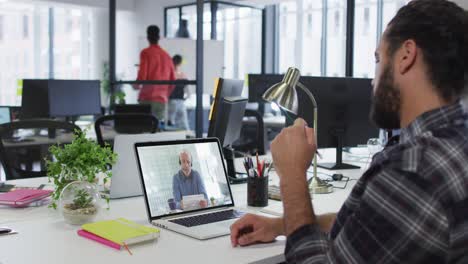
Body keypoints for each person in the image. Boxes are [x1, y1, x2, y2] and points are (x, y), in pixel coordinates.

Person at [230, 0, 468, 262]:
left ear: (405, 55)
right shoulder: (454, 144)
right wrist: (280, 225)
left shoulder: (413, 170)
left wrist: (293, 175)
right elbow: (373, 227)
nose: (372, 79)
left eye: (378, 59)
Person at [134, 25, 175, 123]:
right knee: (157, 130)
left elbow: (142, 76)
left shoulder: (146, 53)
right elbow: (173, 81)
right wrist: (165, 94)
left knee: (144, 129)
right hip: (161, 99)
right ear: (159, 37)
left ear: (147, 37)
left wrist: (135, 85)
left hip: (146, 98)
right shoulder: (166, 55)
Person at [168, 55, 190, 130]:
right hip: (180, 102)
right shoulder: (183, 75)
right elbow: (188, 93)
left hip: (171, 101)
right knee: (183, 124)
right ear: (180, 63)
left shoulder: (169, 74)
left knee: (170, 123)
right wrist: (185, 99)